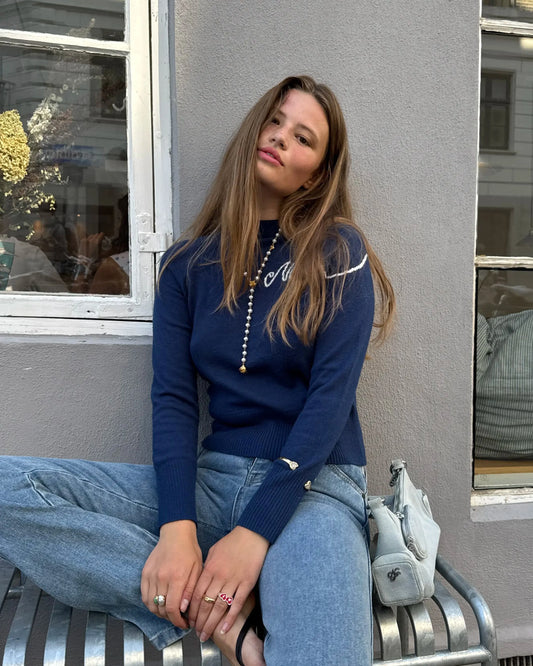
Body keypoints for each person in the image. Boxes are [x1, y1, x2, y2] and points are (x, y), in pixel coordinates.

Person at [0, 75, 394, 665]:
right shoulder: (187, 265)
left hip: (312, 492)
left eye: (303, 137)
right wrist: (177, 526)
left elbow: (329, 403)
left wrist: (254, 533)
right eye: (275, 121)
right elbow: (174, 403)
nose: (281, 138)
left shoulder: (338, 252)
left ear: (315, 175)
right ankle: (222, 618)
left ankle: (225, 583)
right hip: (213, 485)